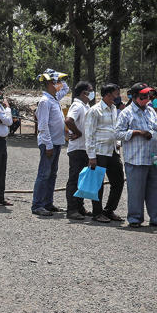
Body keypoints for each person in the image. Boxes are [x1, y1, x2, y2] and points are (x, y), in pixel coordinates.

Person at [114, 84, 157, 227]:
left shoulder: (150, 111)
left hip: (154, 158)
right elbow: (117, 133)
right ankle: (135, 218)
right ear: (135, 97)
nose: (147, 99)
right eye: (143, 96)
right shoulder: (127, 113)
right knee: (136, 191)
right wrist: (137, 132)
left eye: (148, 96)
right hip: (136, 159)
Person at [83, 84, 126, 223]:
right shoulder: (95, 111)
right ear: (107, 95)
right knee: (98, 184)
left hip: (112, 150)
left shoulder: (114, 109)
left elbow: (114, 129)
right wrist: (91, 156)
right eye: (116, 94)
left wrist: (117, 145)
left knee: (118, 181)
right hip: (99, 152)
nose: (118, 97)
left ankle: (109, 210)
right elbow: (89, 134)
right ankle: (97, 213)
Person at [31, 69, 69, 216]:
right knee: (44, 174)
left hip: (57, 141)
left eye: (58, 82)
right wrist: (48, 145)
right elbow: (43, 125)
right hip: (49, 143)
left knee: (52, 174)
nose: (59, 85)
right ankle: (37, 205)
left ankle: (48, 202)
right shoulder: (45, 101)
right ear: (48, 84)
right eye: (55, 82)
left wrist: (56, 76)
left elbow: (66, 88)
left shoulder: (54, 98)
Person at [64, 81, 94, 219]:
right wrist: (78, 132)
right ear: (84, 93)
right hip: (77, 149)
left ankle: (80, 206)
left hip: (85, 148)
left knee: (82, 179)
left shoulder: (85, 106)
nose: (93, 93)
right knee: (74, 179)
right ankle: (72, 209)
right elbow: (69, 120)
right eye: (90, 90)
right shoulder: (77, 105)